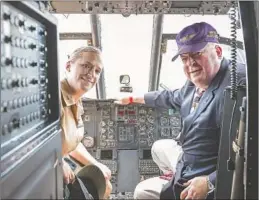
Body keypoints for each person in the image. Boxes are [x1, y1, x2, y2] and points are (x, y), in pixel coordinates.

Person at [116, 22, 246, 199]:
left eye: (197, 54)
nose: (190, 63)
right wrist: (135, 99)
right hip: (189, 157)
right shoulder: (197, 80)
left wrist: (210, 182)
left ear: (218, 52)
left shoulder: (238, 87)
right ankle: (173, 174)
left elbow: (250, 155)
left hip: (205, 175)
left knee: (141, 192)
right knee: (158, 147)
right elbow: (174, 97)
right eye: (184, 58)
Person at [60, 46, 112, 199]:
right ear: (69, 66)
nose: (91, 74)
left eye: (97, 71)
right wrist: (57, 162)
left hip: (62, 163)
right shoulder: (52, 97)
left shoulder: (76, 100)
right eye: (86, 66)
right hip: (51, 171)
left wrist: (96, 164)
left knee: (105, 184)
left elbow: (72, 144)